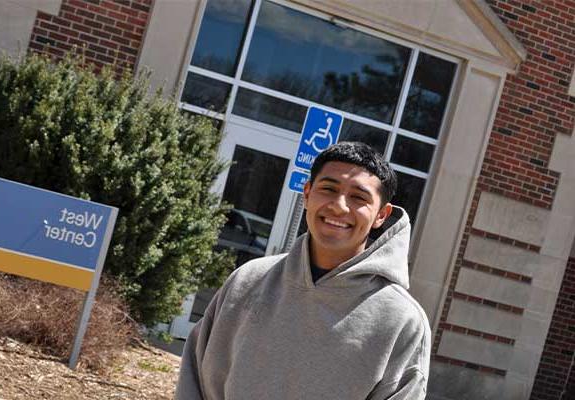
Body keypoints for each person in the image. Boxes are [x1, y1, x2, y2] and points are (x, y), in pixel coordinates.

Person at [176, 142, 431, 400]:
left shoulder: (402, 320)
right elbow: (194, 375)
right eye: (329, 189)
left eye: (359, 197)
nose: (339, 206)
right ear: (307, 194)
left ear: (381, 215)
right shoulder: (249, 280)